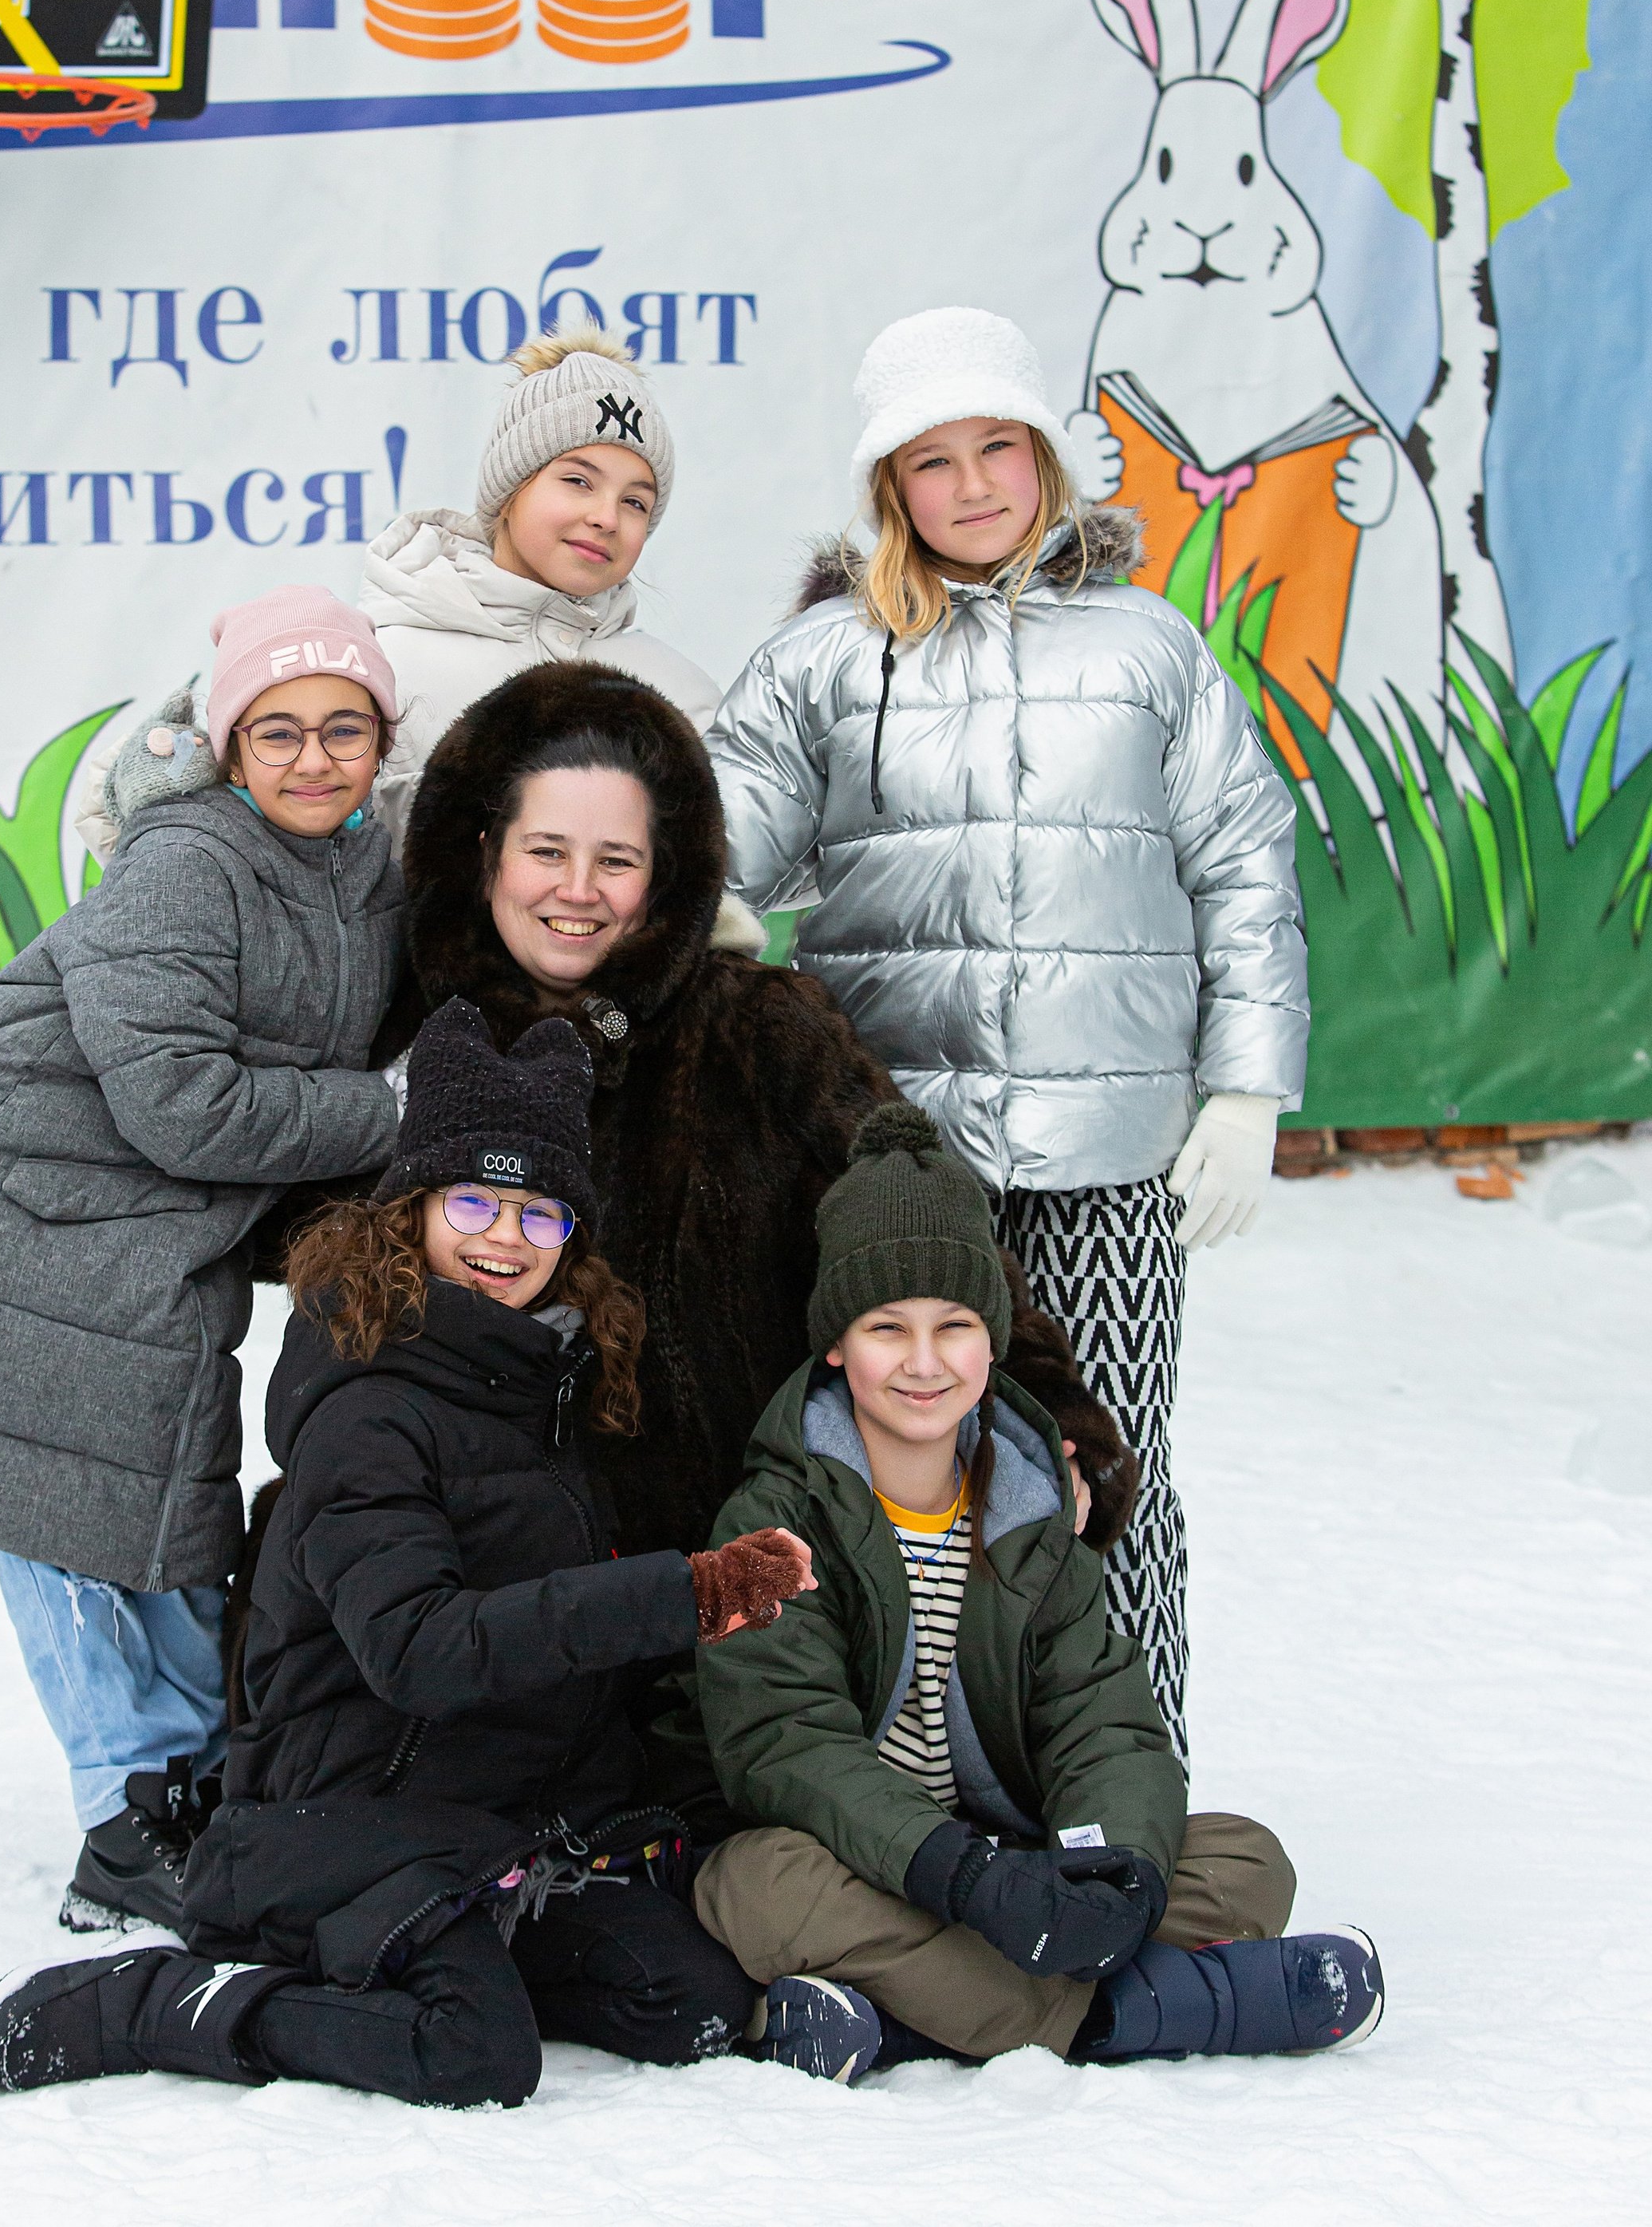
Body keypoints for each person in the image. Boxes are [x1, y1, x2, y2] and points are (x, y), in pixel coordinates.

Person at [0, 996, 815, 2109]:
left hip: (491, 1826)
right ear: (410, 1210)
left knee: (690, 1998)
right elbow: (426, 1652)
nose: (505, 1239)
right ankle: (157, 2000)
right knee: (473, 2050)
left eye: (540, 1213)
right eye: (473, 1200)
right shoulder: (368, 1412)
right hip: (337, 1821)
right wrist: (686, 1592)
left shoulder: (545, 1383)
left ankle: (438, 1943)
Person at [704, 307, 1311, 1760]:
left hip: (1107, 1155)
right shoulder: (828, 658)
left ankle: (1127, 1772)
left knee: (1108, 1464)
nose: (973, 485)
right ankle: (907, 1779)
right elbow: (723, 827)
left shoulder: (1151, 646)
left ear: (1045, 456)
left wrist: (1246, 1087)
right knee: (898, 1465)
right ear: (888, 487)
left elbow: (1243, 856)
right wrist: (695, 904)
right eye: (933, 460)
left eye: (999, 448)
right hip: (895, 1157)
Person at [0, 586, 408, 1932]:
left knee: (166, 1513)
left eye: (342, 727)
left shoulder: (362, 868)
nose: (311, 756)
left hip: (149, 1231)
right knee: (68, 1525)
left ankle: (193, 1786)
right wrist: (401, 1109)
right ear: (230, 749)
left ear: (381, 739)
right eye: (278, 730)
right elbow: (182, 1098)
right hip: (23, 1217)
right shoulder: (188, 861)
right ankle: (130, 1822)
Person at [379, 661, 1140, 1570]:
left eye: (616, 860)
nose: (577, 890)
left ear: (665, 877)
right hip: (479, 1577)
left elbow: (925, 1224)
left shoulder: (762, 1024)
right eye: (546, 851)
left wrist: (1048, 1419)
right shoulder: (411, 1034)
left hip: (745, 1573)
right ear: (484, 853)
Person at [676, 1103, 1381, 2081]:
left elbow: (1105, 1721)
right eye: (887, 1328)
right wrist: (960, 1876)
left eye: (954, 1327)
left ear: (993, 1341)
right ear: (836, 1345)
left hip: (1016, 1852)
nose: (924, 1363)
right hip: (870, 1860)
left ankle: (908, 2023)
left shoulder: (1027, 1501)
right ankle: (1138, 2013)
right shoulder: (768, 1520)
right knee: (752, 1888)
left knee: (1244, 1857)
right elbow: (781, 1745)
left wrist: (1111, 1869)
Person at [360, 323, 720, 848]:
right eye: (578, 481)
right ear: (509, 490)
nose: (606, 517)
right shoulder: (384, 670)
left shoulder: (681, 696)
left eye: (635, 502)